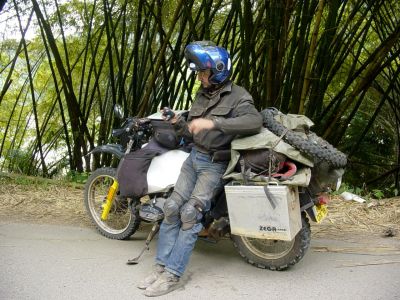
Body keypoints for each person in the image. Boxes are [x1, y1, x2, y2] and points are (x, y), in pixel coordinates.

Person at [138, 41, 263, 297]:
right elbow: (191, 132)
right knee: (171, 208)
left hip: (214, 164)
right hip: (193, 159)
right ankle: (160, 267)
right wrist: (177, 122)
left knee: (189, 214)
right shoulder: (202, 94)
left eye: (202, 73)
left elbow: (254, 121)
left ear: (218, 70)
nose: (199, 77)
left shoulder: (239, 96)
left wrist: (213, 123)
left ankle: (173, 274)